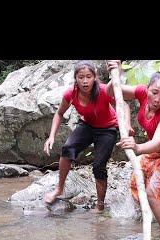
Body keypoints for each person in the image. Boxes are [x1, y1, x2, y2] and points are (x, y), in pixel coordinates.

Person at [106, 60, 160, 233]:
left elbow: (158, 142)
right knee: (136, 180)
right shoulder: (141, 93)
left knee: (154, 194)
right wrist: (115, 73)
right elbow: (112, 93)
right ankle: (145, 216)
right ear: (147, 89)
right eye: (154, 92)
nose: (157, 99)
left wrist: (137, 148)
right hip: (157, 149)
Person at [43, 60, 131, 211]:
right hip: (87, 125)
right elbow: (59, 114)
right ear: (75, 79)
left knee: (98, 166)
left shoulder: (103, 90)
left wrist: (127, 124)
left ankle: (100, 204)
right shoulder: (70, 93)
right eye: (81, 77)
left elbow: (123, 103)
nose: (85, 81)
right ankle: (59, 189)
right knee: (67, 148)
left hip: (108, 128)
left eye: (88, 77)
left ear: (95, 77)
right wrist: (51, 136)